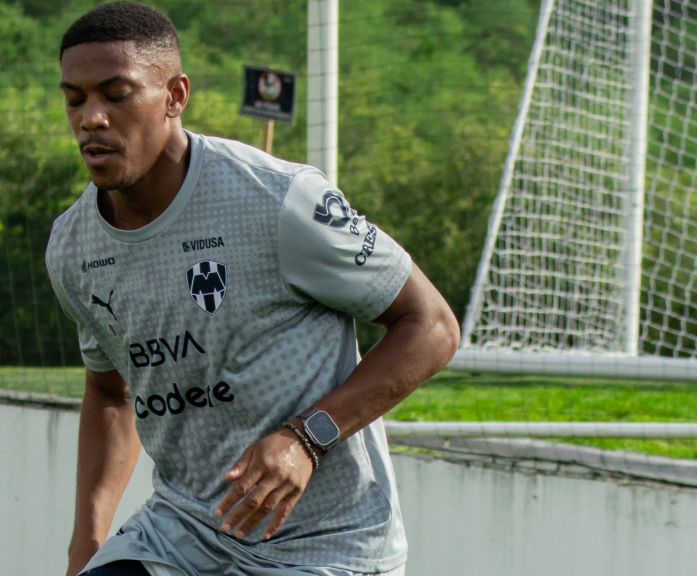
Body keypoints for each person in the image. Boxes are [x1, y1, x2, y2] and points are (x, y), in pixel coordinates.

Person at [46, 2, 461, 576]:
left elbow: (432, 326)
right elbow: (110, 393)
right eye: (75, 99)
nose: (92, 118)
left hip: (325, 547)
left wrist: (306, 438)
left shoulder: (278, 199)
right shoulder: (73, 246)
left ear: (174, 96)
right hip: (182, 534)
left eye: (116, 95)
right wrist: (87, 543)